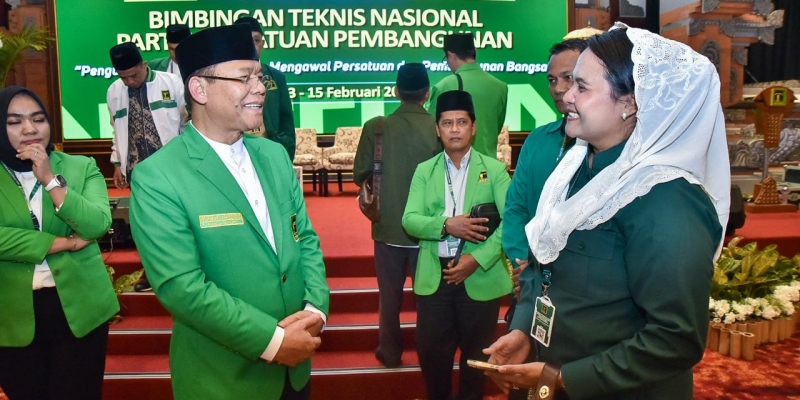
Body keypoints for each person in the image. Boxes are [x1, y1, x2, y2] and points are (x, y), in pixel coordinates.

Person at [483, 24, 731, 400]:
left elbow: (675, 339)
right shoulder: (573, 171)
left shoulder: (667, 200)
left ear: (630, 103)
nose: (566, 95)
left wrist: (565, 377)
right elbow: (544, 267)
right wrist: (523, 330)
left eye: (582, 87)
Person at [128, 24, 329, 400]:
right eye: (243, 77)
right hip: (223, 380)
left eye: (259, 76)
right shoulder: (158, 177)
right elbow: (182, 288)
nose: (259, 88)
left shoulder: (273, 156)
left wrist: (316, 309)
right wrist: (273, 341)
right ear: (199, 89)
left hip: (296, 371)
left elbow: (305, 239)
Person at [0, 86, 118, 400]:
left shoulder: (81, 167)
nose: (29, 129)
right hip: (11, 314)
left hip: (81, 308)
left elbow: (96, 224)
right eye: (14, 121)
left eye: (38, 119)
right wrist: (62, 243)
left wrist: (50, 180)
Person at [402, 90, 512, 400]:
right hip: (436, 278)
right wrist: (446, 225)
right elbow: (409, 220)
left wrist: (476, 259)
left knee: (476, 359)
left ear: (473, 127)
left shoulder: (495, 170)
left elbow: (512, 222)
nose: (454, 129)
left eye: (461, 122)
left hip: (479, 275)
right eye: (447, 123)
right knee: (432, 355)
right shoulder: (425, 170)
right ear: (437, 129)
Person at [501, 38, 587, 400]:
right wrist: (524, 265)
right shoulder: (538, 141)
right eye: (552, 80)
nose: (558, 88)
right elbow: (516, 209)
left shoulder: (609, 150)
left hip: (583, 307)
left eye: (569, 78)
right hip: (531, 290)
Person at [353, 63, 442, 368]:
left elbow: (360, 173)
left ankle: (390, 352)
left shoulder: (376, 127)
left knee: (389, 299)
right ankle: (429, 354)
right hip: (428, 230)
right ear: (427, 93)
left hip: (387, 228)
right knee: (428, 298)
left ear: (396, 91)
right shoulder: (438, 127)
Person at [108, 41, 186, 292]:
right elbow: (116, 129)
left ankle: (183, 271)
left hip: (172, 167)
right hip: (137, 171)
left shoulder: (171, 83)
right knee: (146, 224)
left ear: (144, 65)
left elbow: (187, 123)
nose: (129, 81)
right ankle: (152, 273)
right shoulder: (114, 91)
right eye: (124, 77)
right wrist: (117, 162)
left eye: (134, 75)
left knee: (177, 220)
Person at [428, 33, 508, 159]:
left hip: (457, 164)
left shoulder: (443, 87)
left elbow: (433, 133)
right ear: (475, 52)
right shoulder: (500, 87)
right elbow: (496, 128)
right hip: (489, 165)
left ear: (451, 55)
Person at [236, 16, 296, 161]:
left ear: (262, 44)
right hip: (235, 151)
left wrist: (286, 153)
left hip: (269, 153)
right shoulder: (223, 77)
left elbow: (286, 121)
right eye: (245, 40)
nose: (251, 45)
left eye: (256, 40)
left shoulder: (276, 77)